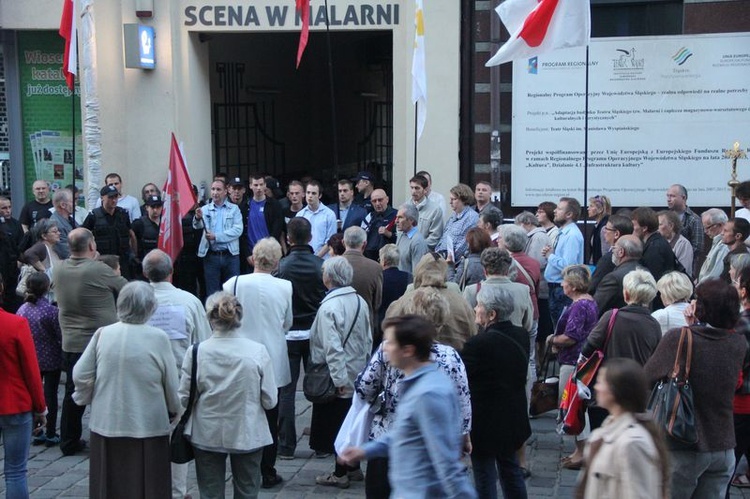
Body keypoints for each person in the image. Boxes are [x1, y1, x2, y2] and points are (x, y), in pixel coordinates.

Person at [340, 315, 477, 499]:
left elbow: (447, 464)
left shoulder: (428, 394)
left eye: (389, 342)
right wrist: (364, 451)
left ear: (407, 350)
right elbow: (405, 432)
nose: (384, 348)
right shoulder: (417, 385)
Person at [71, 282, 180, 498]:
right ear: (150, 307)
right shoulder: (158, 337)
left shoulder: (104, 333)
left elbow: (80, 374)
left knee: (109, 483)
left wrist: (88, 396)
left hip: (107, 420)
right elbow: (171, 383)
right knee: (149, 483)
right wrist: (175, 409)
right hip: (147, 422)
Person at [645, 278, 746, 498]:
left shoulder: (679, 337)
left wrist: (690, 329)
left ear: (701, 308)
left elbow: (647, 376)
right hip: (723, 444)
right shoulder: (738, 343)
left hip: (685, 443)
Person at [179, 292, 278, 499]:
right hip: (247, 430)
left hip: (207, 430)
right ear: (239, 317)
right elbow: (270, 400)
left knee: (210, 491)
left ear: (210, 318)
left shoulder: (196, 352)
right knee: (248, 489)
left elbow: (184, 398)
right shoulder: (257, 351)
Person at [142, 249, 212, 498]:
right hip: (180, 379)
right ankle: (177, 491)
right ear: (172, 272)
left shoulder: (137, 299)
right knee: (176, 437)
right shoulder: (190, 301)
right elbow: (204, 342)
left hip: (146, 378)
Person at [223, 237, 292, 489]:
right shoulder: (285, 287)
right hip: (272, 356)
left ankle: (242, 465)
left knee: (241, 413)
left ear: (254, 257)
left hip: (240, 356)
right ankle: (267, 470)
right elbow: (287, 323)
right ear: (276, 261)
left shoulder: (233, 283)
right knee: (270, 416)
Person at [54, 228, 128, 456]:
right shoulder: (99, 270)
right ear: (92, 246)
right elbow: (126, 287)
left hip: (71, 341)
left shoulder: (59, 269)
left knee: (72, 393)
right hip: (99, 342)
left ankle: (68, 440)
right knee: (107, 390)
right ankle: (108, 436)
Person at [309, 257, 372, 486]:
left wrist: (338, 379)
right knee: (351, 421)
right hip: (357, 370)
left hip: (340, 375)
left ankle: (340, 473)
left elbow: (332, 347)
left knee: (338, 425)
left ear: (328, 278)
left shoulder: (329, 307)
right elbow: (368, 338)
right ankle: (353, 468)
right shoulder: (359, 301)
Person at [463, 286, 530, 499]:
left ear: (492, 314)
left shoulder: (478, 344)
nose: (475, 308)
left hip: (486, 421)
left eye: (479, 305)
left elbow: (464, 379)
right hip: (513, 415)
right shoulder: (521, 335)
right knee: (511, 469)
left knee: (484, 475)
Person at [578, 358, 669, 499]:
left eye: (601, 382)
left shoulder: (632, 443)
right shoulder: (609, 427)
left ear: (616, 391)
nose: (596, 387)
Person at [584, 268, 662, 429]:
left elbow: (587, 348)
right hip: (637, 395)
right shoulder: (654, 324)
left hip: (607, 391)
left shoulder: (611, 316)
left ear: (626, 295)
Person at [275, 217, 326, 460]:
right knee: (319, 388)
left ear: (288, 239)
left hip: (289, 333)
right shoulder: (320, 265)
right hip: (313, 332)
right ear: (311, 238)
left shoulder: (283, 267)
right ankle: (321, 442)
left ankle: (286, 445)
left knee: (286, 390)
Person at [0, 273, 47, 498]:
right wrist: (40, 407)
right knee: (16, 471)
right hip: (15, 403)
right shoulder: (15, 324)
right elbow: (31, 370)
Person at [547, 264, 598, 469]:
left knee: (573, 407)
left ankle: (582, 451)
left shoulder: (579, 306)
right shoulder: (590, 302)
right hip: (581, 359)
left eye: (565, 281)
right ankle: (579, 450)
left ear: (574, 286)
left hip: (573, 361)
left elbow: (571, 337)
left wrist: (553, 340)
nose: (562, 284)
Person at [390, 252, 478, 350]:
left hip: (414, 361)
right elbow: (474, 332)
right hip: (455, 361)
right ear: (444, 272)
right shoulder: (462, 303)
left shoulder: (404, 301)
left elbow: (390, 333)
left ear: (419, 271)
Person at [17, 272, 62, 447]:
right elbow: (59, 335)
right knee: (50, 395)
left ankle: (37, 430)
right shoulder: (51, 311)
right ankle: (51, 432)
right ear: (47, 288)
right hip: (51, 358)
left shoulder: (22, 310)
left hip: (30, 359)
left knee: (34, 394)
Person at [464, 248, 534, 334]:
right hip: (514, 342)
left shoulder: (471, 291)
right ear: (507, 270)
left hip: (482, 343)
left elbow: (467, 324)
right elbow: (528, 325)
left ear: (484, 270)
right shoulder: (523, 290)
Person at [192, 179, 243, 296]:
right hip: (211, 256)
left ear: (226, 191)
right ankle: (214, 314)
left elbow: (238, 230)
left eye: (218, 189)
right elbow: (197, 226)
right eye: (213, 189)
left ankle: (231, 314)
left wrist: (216, 236)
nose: (215, 192)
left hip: (230, 255)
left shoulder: (234, 209)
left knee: (232, 291)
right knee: (212, 292)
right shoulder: (204, 209)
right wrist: (198, 218)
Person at [542, 197, 584, 326]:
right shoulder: (563, 232)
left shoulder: (571, 235)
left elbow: (569, 266)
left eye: (559, 209)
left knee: (561, 327)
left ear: (569, 214)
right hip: (557, 288)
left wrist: (550, 256)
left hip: (562, 289)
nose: (555, 211)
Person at [83, 184, 138, 279]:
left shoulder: (123, 214)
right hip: (103, 260)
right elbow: (83, 236)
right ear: (102, 198)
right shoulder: (94, 216)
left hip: (122, 260)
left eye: (116, 197)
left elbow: (131, 234)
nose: (114, 200)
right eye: (110, 197)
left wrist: (134, 254)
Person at [343, 226, 383, 340]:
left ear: (343, 243)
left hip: (338, 325)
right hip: (364, 327)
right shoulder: (375, 268)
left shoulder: (330, 265)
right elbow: (377, 303)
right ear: (364, 244)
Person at [730, 266, 750, 490]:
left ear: (743, 291)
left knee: (727, 466)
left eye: (736, 283)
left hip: (742, 403)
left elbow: (736, 370)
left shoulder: (740, 324)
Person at [594, 235, 645, 315]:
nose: (612, 252)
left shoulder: (613, 278)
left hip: (618, 324)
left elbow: (595, 308)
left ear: (621, 252)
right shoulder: (646, 272)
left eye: (614, 248)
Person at [589, 215, 635, 293]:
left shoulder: (608, 259)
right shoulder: (633, 254)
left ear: (616, 234)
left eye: (606, 228)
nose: (603, 231)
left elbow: (593, 287)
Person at [435, 183, 480, 260]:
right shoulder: (453, 216)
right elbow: (443, 238)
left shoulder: (472, 218)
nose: (450, 202)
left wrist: (446, 259)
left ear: (464, 200)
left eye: (454, 199)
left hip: (455, 263)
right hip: (442, 259)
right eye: (450, 199)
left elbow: (463, 245)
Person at [21, 219, 62, 301]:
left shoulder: (53, 248)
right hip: (46, 297)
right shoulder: (42, 246)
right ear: (44, 236)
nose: (59, 233)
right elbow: (28, 254)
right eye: (54, 232)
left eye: (58, 231)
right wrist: (43, 270)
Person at [666, 184, 704, 273]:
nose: (668, 199)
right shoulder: (665, 217)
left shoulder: (694, 219)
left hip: (685, 267)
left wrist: (681, 253)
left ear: (683, 197)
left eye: (672, 196)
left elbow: (698, 247)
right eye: (668, 196)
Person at [296, 180, 337, 258]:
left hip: (324, 260)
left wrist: (316, 258)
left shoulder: (329, 214)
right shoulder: (300, 215)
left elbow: (330, 240)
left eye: (313, 193)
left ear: (320, 195)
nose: (310, 196)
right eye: (308, 192)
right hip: (305, 259)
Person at [247, 173, 285, 254]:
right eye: (256, 185)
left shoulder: (275, 205)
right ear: (250, 186)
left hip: (270, 252)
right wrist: (247, 255)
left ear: (265, 185)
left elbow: (277, 229)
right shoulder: (245, 205)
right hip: (251, 252)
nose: (259, 188)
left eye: (261, 184)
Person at [378, 244, 409, 336]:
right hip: (402, 323)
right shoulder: (409, 277)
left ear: (384, 261)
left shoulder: (378, 278)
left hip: (381, 324)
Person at [409, 174, 444, 249]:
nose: (413, 191)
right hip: (406, 252)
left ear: (425, 190)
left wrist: (417, 246)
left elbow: (435, 237)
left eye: (417, 188)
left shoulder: (435, 210)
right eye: (412, 188)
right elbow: (400, 232)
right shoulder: (405, 207)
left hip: (425, 253)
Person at [131, 195, 163, 277]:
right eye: (152, 207)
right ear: (147, 207)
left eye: (158, 207)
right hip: (145, 266)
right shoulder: (139, 224)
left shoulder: (166, 223)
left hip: (162, 264)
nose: (155, 210)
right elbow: (130, 237)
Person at [361, 188, 397, 261]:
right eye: (374, 201)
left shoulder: (396, 216)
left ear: (387, 199)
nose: (377, 203)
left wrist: (389, 234)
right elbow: (361, 236)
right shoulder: (369, 217)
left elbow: (402, 239)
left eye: (380, 200)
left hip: (389, 259)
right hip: (369, 258)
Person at [395, 202, 429, 276]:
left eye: (400, 217)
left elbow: (418, 273)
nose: (396, 221)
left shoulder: (417, 241)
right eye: (396, 217)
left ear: (411, 220)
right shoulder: (401, 235)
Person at [657, 210, 694, 278]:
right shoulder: (657, 242)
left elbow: (683, 273)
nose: (656, 228)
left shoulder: (683, 244)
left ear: (671, 226)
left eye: (659, 225)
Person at [698, 208, 729, 283]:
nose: (705, 232)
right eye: (704, 228)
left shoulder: (724, 245)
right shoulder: (717, 242)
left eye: (708, 228)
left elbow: (716, 273)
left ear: (720, 225)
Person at [49, 188, 77, 259]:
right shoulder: (55, 225)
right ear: (63, 205)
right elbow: (65, 252)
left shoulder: (70, 219)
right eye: (73, 201)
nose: (75, 204)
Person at [720, 217, 750, 283]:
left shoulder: (740, 258)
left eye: (726, 231)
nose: (722, 233)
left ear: (738, 236)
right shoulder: (732, 254)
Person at [588, 194, 612, 264]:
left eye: (591, 206)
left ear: (600, 209)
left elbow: (605, 252)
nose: (588, 208)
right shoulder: (597, 226)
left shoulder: (604, 228)